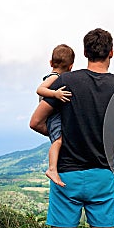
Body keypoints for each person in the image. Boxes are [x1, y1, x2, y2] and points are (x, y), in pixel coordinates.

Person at [30, 28, 114, 228]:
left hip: (65, 176)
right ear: (111, 52)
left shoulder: (65, 81)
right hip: (102, 175)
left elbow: (36, 122)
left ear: (85, 52)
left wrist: (64, 136)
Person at [36, 44, 74, 187]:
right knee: (58, 140)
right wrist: (55, 94)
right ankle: (52, 169)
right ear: (71, 66)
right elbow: (40, 89)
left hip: (53, 115)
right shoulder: (55, 78)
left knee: (59, 139)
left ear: (51, 63)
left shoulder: (54, 76)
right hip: (52, 116)